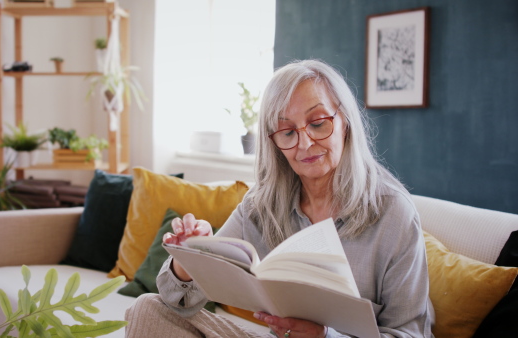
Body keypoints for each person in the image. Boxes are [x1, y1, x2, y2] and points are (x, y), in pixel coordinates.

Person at [125, 59, 433, 337]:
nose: (305, 143)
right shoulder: (260, 206)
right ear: (274, 143)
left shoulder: (393, 212)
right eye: (287, 132)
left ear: (345, 122)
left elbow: (412, 333)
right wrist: (191, 261)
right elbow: (177, 301)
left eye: (318, 123)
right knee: (147, 309)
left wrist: (326, 337)